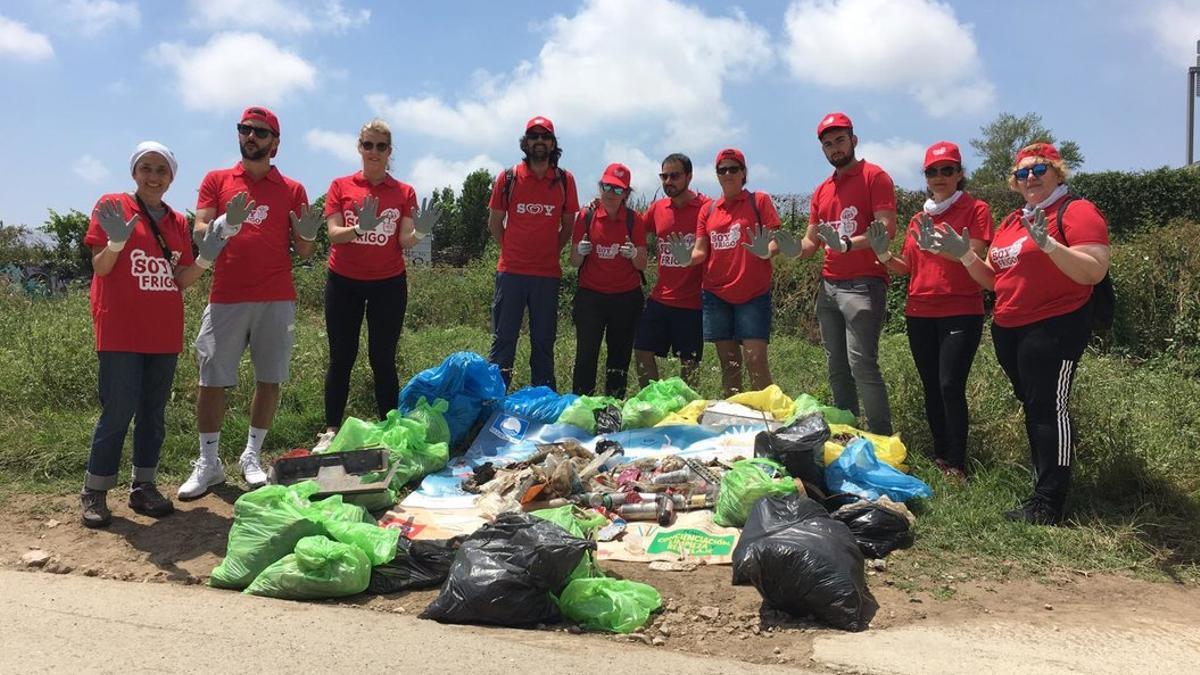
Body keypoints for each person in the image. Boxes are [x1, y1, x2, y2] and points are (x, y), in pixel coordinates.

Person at [932, 142, 1110, 524]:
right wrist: (966, 255)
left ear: (1058, 172)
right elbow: (996, 281)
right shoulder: (1014, 220)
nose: (1030, 177)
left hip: (1055, 324)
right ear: (1013, 182)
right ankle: (1041, 488)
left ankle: (1050, 504)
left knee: (1049, 408)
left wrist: (1048, 245)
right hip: (1010, 328)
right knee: (1034, 405)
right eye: (1022, 173)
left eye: (1039, 169)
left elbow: (1093, 269)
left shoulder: (1075, 211)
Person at [80, 141, 229, 527]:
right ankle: (94, 492)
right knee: (118, 410)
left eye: (161, 170)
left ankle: (142, 486)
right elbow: (101, 267)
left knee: (152, 413)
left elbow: (179, 280)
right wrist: (115, 243)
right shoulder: (112, 205)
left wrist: (206, 258)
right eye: (146, 168)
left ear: (171, 178)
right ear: (134, 172)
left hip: (162, 331)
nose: (153, 176)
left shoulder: (177, 222)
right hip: (120, 328)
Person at [179, 106, 322, 500]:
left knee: (269, 378)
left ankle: (252, 456)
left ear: (275, 143)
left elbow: (305, 250)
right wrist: (226, 223)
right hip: (226, 296)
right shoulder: (217, 180)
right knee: (211, 380)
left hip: (276, 296)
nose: (251, 137)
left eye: (260, 131)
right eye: (245, 129)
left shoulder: (293, 189)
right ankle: (209, 463)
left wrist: (309, 235)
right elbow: (200, 232)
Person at [866, 141, 992, 481]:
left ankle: (958, 462)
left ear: (960, 174)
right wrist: (882, 256)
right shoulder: (919, 219)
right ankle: (940, 454)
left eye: (947, 170)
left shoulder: (975, 209)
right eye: (933, 171)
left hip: (960, 309)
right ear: (926, 177)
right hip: (919, 312)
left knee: (951, 384)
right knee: (931, 385)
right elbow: (906, 265)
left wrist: (944, 247)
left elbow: (976, 254)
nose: (940, 177)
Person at [315, 119, 440, 450]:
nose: (373, 152)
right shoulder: (341, 186)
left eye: (380, 146)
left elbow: (404, 239)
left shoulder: (403, 192)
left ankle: (391, 428)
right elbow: (333, 235)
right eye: (368, 145)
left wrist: (423, 232)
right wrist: (360, 228)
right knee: (342, 356)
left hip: (388, 284)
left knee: (382, 357)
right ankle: (330, 430)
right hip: (343, 282)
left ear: (389, 151)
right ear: (359, 147)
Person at [797, 112, 898, 435]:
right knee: (837, 367)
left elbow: (886, 228)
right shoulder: (821, 191)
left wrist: (847, 245)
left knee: (862, 364)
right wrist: (782, 249)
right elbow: (810, 244)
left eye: (840, 140)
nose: (835, 148)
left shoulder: (874, 177)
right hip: (829, 286)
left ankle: (880, 438)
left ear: (853, 140)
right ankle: (847, 432)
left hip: (864, 283)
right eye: (828, 144)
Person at [672, 148, 781, 397]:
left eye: (734, 168)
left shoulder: (759, 201)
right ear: (717, 175)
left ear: (744, 173)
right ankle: (735, 415)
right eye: (723, 170)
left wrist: (767, 251)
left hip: (753, 292)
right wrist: (686, 259)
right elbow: (701, 252)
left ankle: (767, 418)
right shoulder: (708, 210)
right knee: (729, 362)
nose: (728, 174)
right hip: (716, 294)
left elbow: (774, 241)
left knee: (755, 360)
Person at [487, 115, 580, 389]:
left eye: (545, 137)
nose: (539, 141)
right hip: (511, 273)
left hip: (546, 275)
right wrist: (512, 250)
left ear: (553, 144)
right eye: (534, 136)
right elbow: (494, 222)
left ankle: (543, 402)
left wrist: (551, 252)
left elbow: (568, 224)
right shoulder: (508, 178)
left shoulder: (565, 180)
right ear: (525, 142)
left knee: (543, 342)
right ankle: (494, 402)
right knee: (503, 341)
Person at [568, 163, 648, 398]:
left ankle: (611, 411)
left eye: (617, 189)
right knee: (585, 355)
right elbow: (573, 261)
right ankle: (581, 408)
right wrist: (580, 251)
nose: (610, 194)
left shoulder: (634, 220)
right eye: (606, 187)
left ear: (626, 194)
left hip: (625, 298)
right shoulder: (586, 215)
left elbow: (642, 264)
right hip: (591, 297)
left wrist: (634, 253)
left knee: (619, 359)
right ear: (600, 187)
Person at [633, 153, 709, 389]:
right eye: (664, 176)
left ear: (689, 176)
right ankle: (655, 400)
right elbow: (633, 228)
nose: (668, 181)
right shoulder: (657, 208)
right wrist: (602, 206)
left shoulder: (706, 208)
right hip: (661, 297)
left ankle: (686, 409)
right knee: (642, 350)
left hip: (692, 300)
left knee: (689, 362)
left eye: (674, 176)